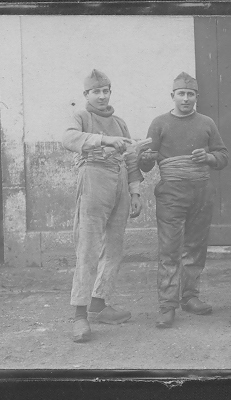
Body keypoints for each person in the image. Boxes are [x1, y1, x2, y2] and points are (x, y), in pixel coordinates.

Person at [139, 72, 228, 329]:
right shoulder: (159, 123)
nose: (186, 99)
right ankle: (167, 305)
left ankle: (190, 296)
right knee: (169, 250)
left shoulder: (207, 123)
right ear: (173, 96)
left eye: (191, 94)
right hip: (171, 194)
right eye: (181, 94)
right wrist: (145, 158)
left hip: (201, 191)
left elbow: (223, 156)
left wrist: (209, 158)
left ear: (197, 97)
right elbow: (145, 163)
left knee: (196, 247)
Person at [62, 69, 144, 342]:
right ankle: (79, 316)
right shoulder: (81, 117)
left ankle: (99, 303)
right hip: (94, 177)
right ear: (86, 94)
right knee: (88, 247)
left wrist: (135, 191)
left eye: (105, 90)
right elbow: (68, 138)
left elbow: (131, 157)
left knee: (115, 246)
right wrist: (103, 139)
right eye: (95, 91)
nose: (101, 95)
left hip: (119, 180)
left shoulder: (119, 122)